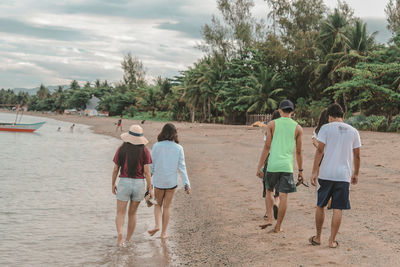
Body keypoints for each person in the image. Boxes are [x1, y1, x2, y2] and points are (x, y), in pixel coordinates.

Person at [309, 103, 361, 248]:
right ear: (343, 116)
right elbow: (357, 156)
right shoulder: (353, 131)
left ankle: (318, 237)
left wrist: (314, 171)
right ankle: (332, 241)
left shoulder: (325, 128)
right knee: (338, 208)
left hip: (326, 173)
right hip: (343, 175)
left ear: (330, 116)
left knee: (320, 205)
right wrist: (355, 173)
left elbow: (319, 151)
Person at [257, 100, 304, 233]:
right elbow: (299, 152)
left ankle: (270, 219)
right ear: (292, 112)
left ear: (279, 110)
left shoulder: (272, 124)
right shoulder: (298, 128)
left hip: (272, 164)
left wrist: (260, 166)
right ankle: (279, 226)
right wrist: (300, 171)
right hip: (287, 166)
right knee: (283, 196)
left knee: (269, 191)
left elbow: (267, 147)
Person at [112, 124, 153, 246]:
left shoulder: (121, 149)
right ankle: (128, 239)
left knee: (120, 213)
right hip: (139, 184)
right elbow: (147, 172)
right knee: (132, 213)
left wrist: (113, 183)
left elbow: (115, 169)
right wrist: (149, 188)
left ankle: (120, 234)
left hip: (124, 182)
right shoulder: (145, 151)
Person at [148, 123, 191, 239]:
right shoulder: (179, 148)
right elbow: (182, 167)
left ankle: (157, 226)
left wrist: (148, 183)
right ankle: (163, 233)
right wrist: (187, 184)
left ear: (162, 132)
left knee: (157, 205)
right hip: (171, 182)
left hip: (159, 181)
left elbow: (151, 165)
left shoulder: (156, 146)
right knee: (167, 207)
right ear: (174, 134)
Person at [261, 110, 281, 220]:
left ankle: (267, 213)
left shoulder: (269, 129)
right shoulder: (285, 130)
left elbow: (266, 147)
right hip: (282, 159)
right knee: (278, 187)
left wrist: (261, 165)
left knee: (268, 188)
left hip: (270, 158)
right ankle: (277, 204)